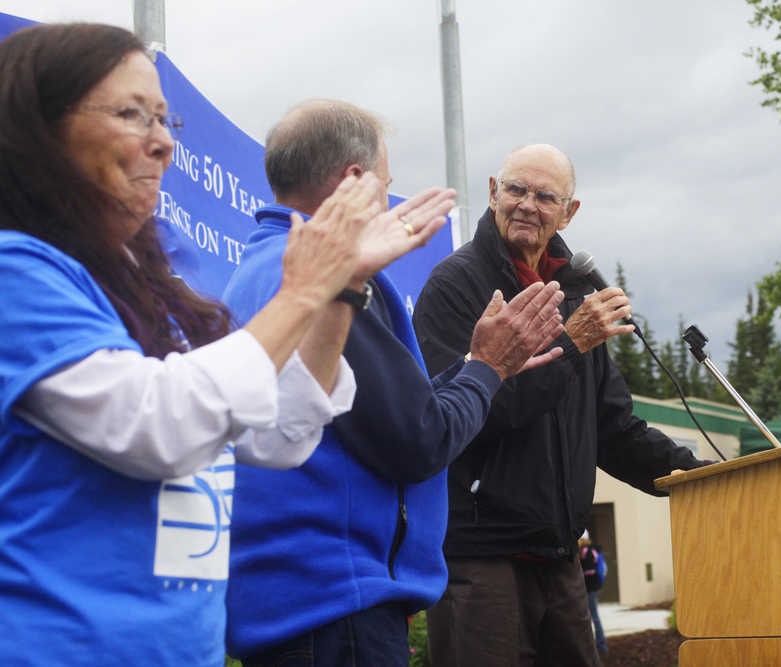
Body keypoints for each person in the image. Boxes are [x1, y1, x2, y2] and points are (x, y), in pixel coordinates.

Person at [0, 23, 424, 666]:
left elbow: (271, 434)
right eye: (131, 114)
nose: (163, 143)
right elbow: (161, 425)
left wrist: (347, 286)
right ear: (40, 130)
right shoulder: (15, 272)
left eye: (166, 120)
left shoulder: (140, 290)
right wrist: (304, 292)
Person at [222, 101, 567, 667]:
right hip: (340, 609)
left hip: (297, 608)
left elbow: (365, 413)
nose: (388, 200)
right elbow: (418, 440)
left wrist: (475, 367)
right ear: (353, 183)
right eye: (386, 184)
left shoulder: (258, 269)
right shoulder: (333, 280)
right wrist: (486, 370)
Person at [412, 143, 712, 666]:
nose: (528, 204)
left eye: (545, 196)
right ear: (492, 192)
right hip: (480, 560)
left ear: (569, 212)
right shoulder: (455, 286)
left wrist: (699, 479)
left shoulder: (576, 291)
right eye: (516, 189)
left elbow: (613, 429)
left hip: (560, 557)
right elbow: (465, 414)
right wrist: (570, 344)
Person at [578, 531, 608, 656]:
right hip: (594, 587)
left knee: (590, 617)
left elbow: (586, 572)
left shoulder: (584, 552)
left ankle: (599, 646)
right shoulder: (594, 550)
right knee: (593, 616)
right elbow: (604, 569)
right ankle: (600, 645)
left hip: (588, 588)